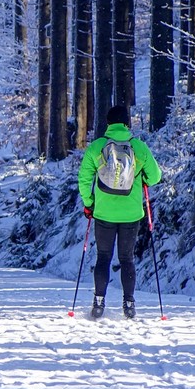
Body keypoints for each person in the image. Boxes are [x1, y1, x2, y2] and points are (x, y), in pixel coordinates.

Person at [77, 105, 162, 320]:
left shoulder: (96, 148)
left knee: (103, 258)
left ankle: (98, 302)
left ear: (108, 123)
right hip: (131, 214)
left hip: (104, 213)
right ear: (127, 123)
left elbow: (84, 179)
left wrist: (89, 204)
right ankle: (129, 303)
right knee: (127, 259)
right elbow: (155, 177)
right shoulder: (139, 148)